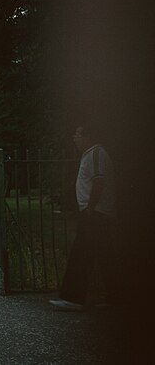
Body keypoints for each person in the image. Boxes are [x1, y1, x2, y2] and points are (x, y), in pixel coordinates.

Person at [49, 125, 117, 312]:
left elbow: (98, 180)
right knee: (105, 256)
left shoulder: (96, 153)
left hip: (95, 213)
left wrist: (90, 207)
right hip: (98, 213)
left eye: (77, 135)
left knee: (81, 254)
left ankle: (73, 298)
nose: (74, 138)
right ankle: (116, 298)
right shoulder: (91, 154)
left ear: (87, 136)